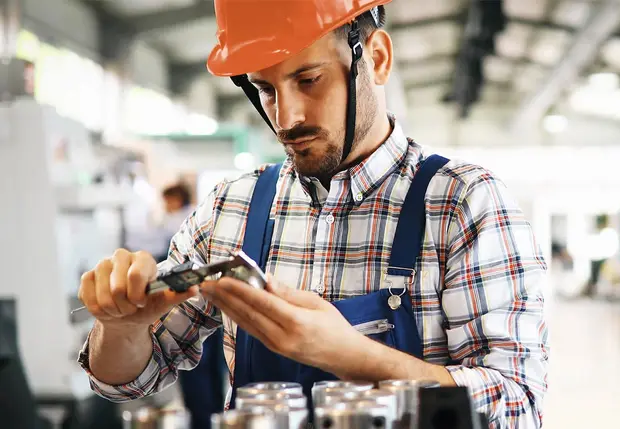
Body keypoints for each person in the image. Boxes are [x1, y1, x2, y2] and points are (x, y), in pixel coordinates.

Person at [75, 2, 549, 428]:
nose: (286, 117)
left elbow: (516, 406)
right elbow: (129, 379)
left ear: (377, 58)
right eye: (264, 88)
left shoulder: (462, 203)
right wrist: (121, 325)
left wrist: (352, 356)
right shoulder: (231, 207)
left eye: (308, 79)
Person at [160, 183, 226, 429]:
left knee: (195, 372)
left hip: (187, 302)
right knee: (212, 375)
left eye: (168, 199)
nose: (165, 206)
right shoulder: (200, 218)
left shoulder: (176, 223)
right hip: (209, 303)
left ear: (177, 198)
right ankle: (216, 420)